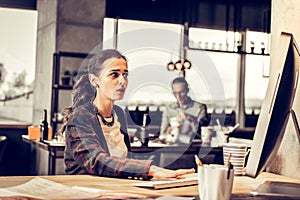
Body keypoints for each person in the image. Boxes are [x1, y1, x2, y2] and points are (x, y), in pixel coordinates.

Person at [61, 49, 194, 180]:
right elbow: (97, 162)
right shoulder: (80, 116)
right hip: (87, 190)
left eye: (125, 74)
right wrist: (149, 169)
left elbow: (124, 159)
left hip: (118, 188)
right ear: (94, 80)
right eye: (114, 75)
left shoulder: (119, 113)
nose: (122, 81)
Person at [159, 77, 210, 144]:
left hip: (193, 149)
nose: (178, 96)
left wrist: (190, 119)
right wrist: (169, 133)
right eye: (175, 93)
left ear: (187, 90)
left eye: (181, 92)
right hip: (172, 149)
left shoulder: (199, 108)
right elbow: (162, 135)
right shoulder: (169, 108)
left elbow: (202, 134)